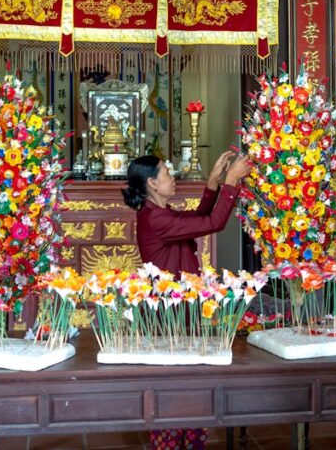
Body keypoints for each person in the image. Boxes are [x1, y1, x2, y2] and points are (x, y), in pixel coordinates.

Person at [121, 151, 251, 450]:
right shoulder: (155, 219)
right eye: (167, 172)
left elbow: (198, 219)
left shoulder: (161, 213)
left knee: (193, 385)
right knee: (174, 389)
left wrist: (213, 184)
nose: (173, 177)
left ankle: (191, 442)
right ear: (153, 183)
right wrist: (231, 182)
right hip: (171, 315)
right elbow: (214, 223)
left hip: (184, 311)